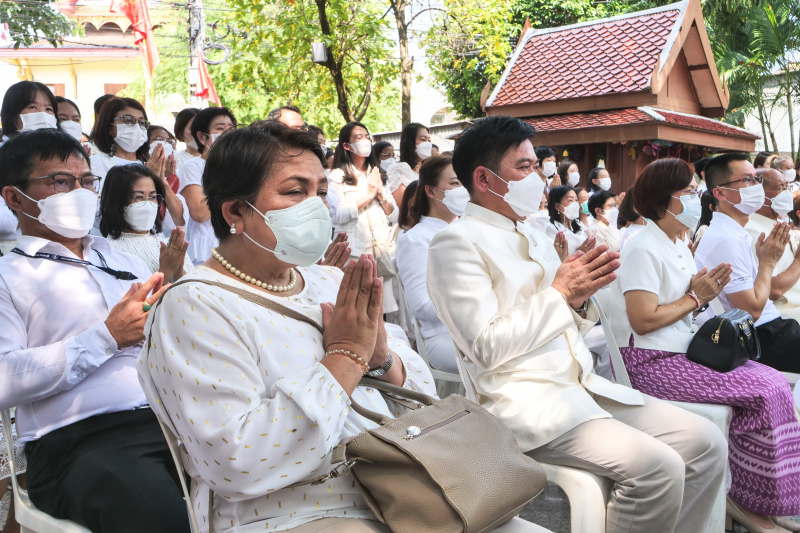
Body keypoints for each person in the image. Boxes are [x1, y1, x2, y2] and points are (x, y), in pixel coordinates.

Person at [136, 122, 447, 533]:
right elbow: (238, 463)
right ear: (235, 212)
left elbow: (426, 399)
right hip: (289, 513)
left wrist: (381, 360)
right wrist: (345, 358)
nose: (316, 207)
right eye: (294, 191)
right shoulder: (193, 304)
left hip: (398, 486)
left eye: (319, 192)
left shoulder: (329, 281)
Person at [427, 115, 727, 533]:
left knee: (706, 443)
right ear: (484, 177)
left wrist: (581, 300)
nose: (539, 178)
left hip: (581, 385)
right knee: (656, 469)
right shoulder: (455, 243)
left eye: (537, 167)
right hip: (528, 403)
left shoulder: (532, 232)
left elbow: (567, 317)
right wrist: (561, 294)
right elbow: (486, 346)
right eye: (526, 168)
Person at [0, 129, 188, 532]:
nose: (80, 192)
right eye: (60, 182)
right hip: (82, 440)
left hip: (172, 420)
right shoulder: (7, 275)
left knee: (257, 483)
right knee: (160, 518)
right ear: (15, 197)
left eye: (86, 181)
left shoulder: (124, 261)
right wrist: (106, 337)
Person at [619, 157, 800, 533]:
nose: (697, 197)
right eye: (687, 191)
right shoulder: (641, 246)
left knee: (773, 383)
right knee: (764, 390)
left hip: (682, 348)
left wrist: (702, 300)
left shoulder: (677, 244)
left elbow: (694, 305)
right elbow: (642, 320)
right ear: (663, 200)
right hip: (652, 360)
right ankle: (745, 502)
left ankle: (761, 500)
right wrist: (697, 298)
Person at [694, 153, 800, 373]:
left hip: (773, 330)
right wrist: (768, 262)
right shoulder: (726, 239)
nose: (756, 186)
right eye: (747, 180)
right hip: (760, 338)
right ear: (720, 193)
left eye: (756, 179)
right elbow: (751, 310)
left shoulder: (734, 233)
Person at [396, 155, 466, 374]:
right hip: (444, 336)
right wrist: (472, 295)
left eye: (465, 182)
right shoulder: (415, 239)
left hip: (480, 325)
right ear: (431, 191)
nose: (463, 190)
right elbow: (422, 307)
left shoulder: (466, 230)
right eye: (455, 183)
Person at [99, 164, 192, 281]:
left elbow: (192, 293)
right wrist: (165, 272)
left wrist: (178, 272)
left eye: (152, 197)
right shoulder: (107, 252)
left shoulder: (166, 245)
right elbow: (132, 298)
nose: (148, 204)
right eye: (139, 197)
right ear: (118, 201)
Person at [0, 81, 59, 254]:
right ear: (12, 115)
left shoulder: (61, 156)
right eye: (32, 107)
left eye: (49, 109)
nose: (43, 114)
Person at [178, 106, 237, 266]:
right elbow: (200, 213)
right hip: (206, 252)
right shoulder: (193, 167)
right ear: (202, 137)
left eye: (231, 129)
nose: (227, 134)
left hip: (237, 246)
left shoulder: (240, 166)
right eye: (220, 128)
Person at [744, 168, 800, 324]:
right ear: (759, 194)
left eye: (787, 187)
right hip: (786, 320)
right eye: (780, 188)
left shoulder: (780, 224)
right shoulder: (753, 231)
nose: (787, 193)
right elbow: (772, 289)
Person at [89, 97, 151, 188]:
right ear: (109, 128)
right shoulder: (97, 162)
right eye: (129, 120)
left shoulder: (148, 164)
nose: (137, 127)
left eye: (141, 122)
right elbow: (104, 198)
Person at [386, 123, 431, 205]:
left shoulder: (430, 168)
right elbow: (402, 203)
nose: (428, 144)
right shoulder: (399, 169)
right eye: (423, 139)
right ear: (410, 142)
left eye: (429, 140)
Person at [545, 185, 594, 254]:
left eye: (576, 200)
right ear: (558, 206)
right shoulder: (550, 227)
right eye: (570, 200)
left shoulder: (578, 223)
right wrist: (579, 252)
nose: (575, 204)